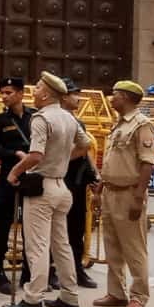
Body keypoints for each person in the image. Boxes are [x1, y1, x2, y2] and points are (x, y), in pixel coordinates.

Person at [2, 72, 90, 307]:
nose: (33, 91)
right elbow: (85, 145)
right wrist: (62, 159)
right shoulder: (69, 118)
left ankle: (32, 299)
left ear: (47, 93)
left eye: (38, 87)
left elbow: (36, 155)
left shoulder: (41, 119)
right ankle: (69, 296)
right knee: (60, 244)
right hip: (62, 187)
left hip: (42, 188)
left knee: (37, 246)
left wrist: (16, 171)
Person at [93, 80, 154, 307]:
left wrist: (138, 198)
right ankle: (117, 293)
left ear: (127, 98)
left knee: (134, 247)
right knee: (112, 246)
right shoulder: (117, 124)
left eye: (116, 94)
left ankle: (139, 295)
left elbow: (147, 163)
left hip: (129, 193)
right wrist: (100, 188)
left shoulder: (142, 125)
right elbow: (110, 160)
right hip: (110, 192)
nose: (111, 98)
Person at [0, 77, 35, 294]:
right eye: (2, 93)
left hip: (33, 176)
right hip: (9, 176)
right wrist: (15, 153)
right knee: (2, 223)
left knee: (31, 225)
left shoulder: (36, 117)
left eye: (9, 92)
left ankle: (29, 272)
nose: (5, 97)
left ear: (21, 93)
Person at [61, 78, 99, 289]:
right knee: (58, 230)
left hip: (77, 183)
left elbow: (87, 150)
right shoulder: (55, 119)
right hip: (61, 180)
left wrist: (95, 175)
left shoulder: (78, 121)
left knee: (77, 230)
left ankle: (77, 269)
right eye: (75, 94)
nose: (79, 98)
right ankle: (53, 271)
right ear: (64, 96)